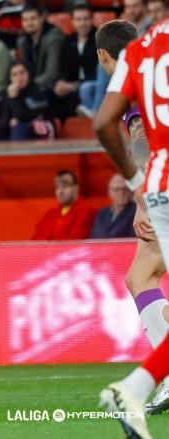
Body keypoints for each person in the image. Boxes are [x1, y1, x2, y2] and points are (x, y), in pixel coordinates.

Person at [96, 17, 169, 438]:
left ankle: (142, 384)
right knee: (142, 275)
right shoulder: (153, 53)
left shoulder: (141, 59)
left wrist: (142, 192)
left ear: (105, 56)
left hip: (159, 185)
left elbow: (124, 127)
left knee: (140, 276)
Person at [53, 4, 98, 121]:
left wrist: (74, 85)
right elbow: (62, 67)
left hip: (91, 85)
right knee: (51, 92)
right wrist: (61, 82)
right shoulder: (68, 41)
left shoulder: (100, 39)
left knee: (82, 90)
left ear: (92, 20)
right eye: (78, 19)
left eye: (85, 19)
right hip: (70, 86)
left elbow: (99, 72)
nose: (82, 23)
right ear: (72, 21)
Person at [0, 61, 52, 140]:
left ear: (28, 74)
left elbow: (25, 117)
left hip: (35, 132)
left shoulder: (38, 93)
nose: (19, 77)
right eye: (14, 75)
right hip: (7, 130)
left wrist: (13, 98)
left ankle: (16, 152)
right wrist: (8, 122)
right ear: (10, 78)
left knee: (18, 127)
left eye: (22, 73)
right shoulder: (2, 95)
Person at [31, 170, 95, 240]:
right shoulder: (50, 214)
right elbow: (36, 240)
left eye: (65, 186)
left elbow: (75, 241)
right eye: (57, 187)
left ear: (76, 188)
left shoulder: (87, 211)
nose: (60, 191)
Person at [17, 3, 64, 92]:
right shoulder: (22, 41)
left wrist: (27, 85)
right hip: (35, 85)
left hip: (55, 87)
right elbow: (25, 70)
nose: (29, 23)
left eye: (33, 18)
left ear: (42, 18)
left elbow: (52, 74)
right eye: (25, 20)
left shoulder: (54, 38)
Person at [89, 174, 135, 239]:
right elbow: (94, 237)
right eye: (116, 189)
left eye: (124, 189)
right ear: (109, 191)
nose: (121, 193)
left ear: (131, 191)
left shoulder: (136, 212)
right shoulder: (101, 213)